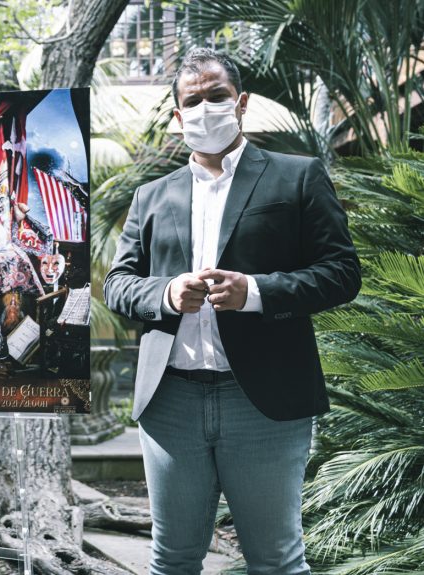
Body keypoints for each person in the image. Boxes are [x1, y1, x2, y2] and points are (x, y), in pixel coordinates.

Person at [104, 47, 361, 575]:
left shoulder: (298, 177)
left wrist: (257, 292)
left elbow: (341, 273)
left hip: (263, 402)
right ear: (178, 118)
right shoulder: (152, 196)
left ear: (240, 103)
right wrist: (167, 294)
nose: (204, 109)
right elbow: (117, 284)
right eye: (192, 101)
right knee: (172, 559)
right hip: (170, 401)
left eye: (216, 97)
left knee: (276, 560)